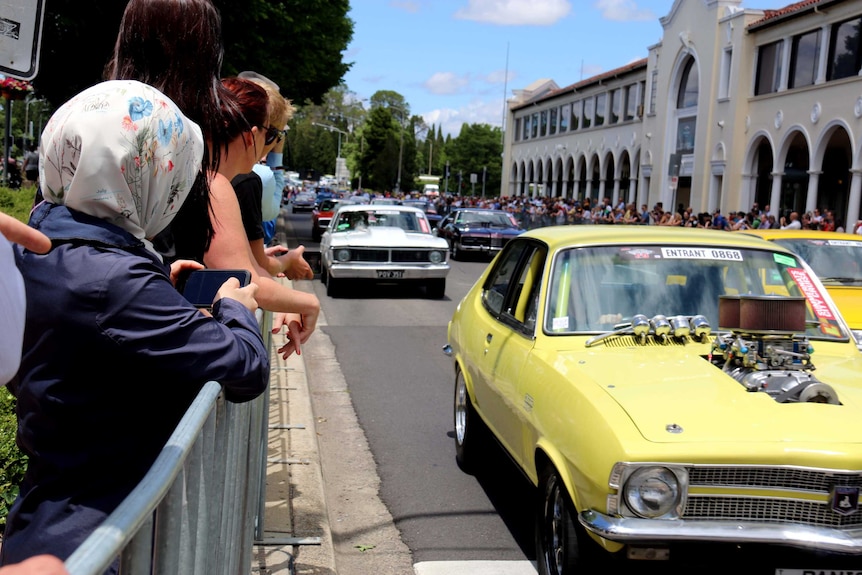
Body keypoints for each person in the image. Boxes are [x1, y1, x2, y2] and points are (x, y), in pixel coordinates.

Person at [0, 80, 270, 569]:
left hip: (45, 518)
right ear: (148, 172)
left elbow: (88, 330)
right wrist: (234, 306)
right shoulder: (114, 280)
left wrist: (159, 293)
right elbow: (245, 367)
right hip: (105, 536)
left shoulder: (32, 250)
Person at [107, 0, 319, 356]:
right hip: (155, 348)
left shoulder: (101, 126)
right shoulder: (202, 175)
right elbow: (240, 273)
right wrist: (301, 302)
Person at [226, 75, 311, 279]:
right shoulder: (251, 179)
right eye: (275, 136)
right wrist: (287, 261)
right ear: (255, 135)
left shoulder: (207, 170)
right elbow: (253, 269)